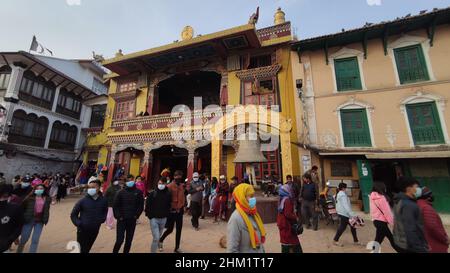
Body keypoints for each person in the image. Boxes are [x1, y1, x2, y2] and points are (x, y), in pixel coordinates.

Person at [70, 179, 108, 253]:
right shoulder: (82, 201)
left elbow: (105, 211)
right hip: (82, 230)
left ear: (99, 187)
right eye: (89, 187)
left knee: (87, 248)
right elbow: (73, 215)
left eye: (93, 187)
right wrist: (79, 223)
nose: (91, 189)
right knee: (81, 249)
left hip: (95, 229)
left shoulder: (104, 200)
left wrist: (102, 219)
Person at [393, 177, 429, 253]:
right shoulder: (409, 205)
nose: (419, 189)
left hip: (401, 242)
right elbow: (410, 229)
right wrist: (420, 248)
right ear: (409, 188)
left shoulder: (399, 200)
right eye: (416, 187)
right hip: (410, 246)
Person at [227, 183, 266, 253]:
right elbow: (232, 250)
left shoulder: (253, 214)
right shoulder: (235, 219)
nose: (253, 199)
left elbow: (259, 243)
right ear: (242, 197)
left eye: (253, 196)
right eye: (250, 196)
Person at [112, 174, 144, 253]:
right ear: (125, 182)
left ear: (134, 181)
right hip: (121, 220)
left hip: (132, 220)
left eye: (131, 180)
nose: (130, 182)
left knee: (129, 241)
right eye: (128, 180)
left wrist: (136, 215)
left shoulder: (138, 192)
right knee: (119, 240)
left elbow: (141, 206)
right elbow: (115, 206)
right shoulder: (120, 192)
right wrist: (118, 216)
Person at [17, 184, 51, 253]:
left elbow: (47, 209)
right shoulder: (29, 198)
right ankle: (19, 251)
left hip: (40, 221)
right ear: (35, 189)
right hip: (29, 220)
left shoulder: (47, 199)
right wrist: (24, 217)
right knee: (24, 239)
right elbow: (21, 208)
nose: (39, 190)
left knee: (35, 240)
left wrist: (45, 218)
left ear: (44, 190)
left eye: (41, 188)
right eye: (38, 188)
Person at [159, 170, 187, 253]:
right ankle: (160, 240)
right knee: (170, 229)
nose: (179, 178)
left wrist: (183, 206)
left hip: (180, 211)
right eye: (177, 177)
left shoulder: (182, 186)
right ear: (174, 177)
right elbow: (166, 199)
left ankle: (177, 248)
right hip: (172, 211)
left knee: (179, 229)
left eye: (180, 177)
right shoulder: (169, 186)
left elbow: (183, 197)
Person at [417, 187, 448, 253]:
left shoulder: (417, 205)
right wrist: (444, 239)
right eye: (430, 194)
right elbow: (433, 227)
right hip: (433, 245)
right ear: (427, 196)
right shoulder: (426, 208)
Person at [370, 182, 399, 251]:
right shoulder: (381, 198)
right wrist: (393, 223)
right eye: (384, 187)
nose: (385, 188)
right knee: (391, 239)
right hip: (381, 222)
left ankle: (374, 251)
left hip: (376, 221)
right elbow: (387, 212)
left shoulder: (372, 197)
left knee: (378, 239)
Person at [145, 177, 172, 253]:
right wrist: (150, 216)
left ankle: (156, 246)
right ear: (157, 184)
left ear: (165, 184)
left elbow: (169, 205)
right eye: (159, 183)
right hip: (154, 219)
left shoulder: (168, 194)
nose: (161, 185)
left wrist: (167, 215)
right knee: (156, 238)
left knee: (158, 236)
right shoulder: (153, 193)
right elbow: (148, 205)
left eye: (163, 183)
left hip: (163, 219)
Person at [333, 183, 361, 247]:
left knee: (352, 226)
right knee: (343, 227)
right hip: (345, 214)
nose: (346, 189)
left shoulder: (339, 194)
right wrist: (351, 214)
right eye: (346, 188)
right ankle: (335, 240)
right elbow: (346, 205)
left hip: (343, 213)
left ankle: (356, 241)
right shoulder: (342, 195)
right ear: (343, 188)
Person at [277, 184, 302, 253]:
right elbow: (288, 214)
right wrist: (296, 217)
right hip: (287, 225)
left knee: (285, 242)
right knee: (292, 243)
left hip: (282, 224)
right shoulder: (287, 200)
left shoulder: (282, 198)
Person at [0, 184, 24, 253]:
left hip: (4, 247)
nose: (1, 199)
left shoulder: (15, 208)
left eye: (4, 196)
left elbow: (19, 225)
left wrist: (10, 239)